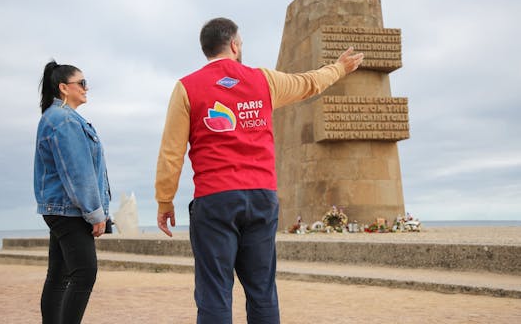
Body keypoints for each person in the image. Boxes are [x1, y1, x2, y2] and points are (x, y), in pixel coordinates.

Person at [155, 17, 364, 324]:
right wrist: (340, 68)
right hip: (261, 197)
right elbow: (309, 83)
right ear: (235, 45)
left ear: (206, 50)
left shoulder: (186, 88)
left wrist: (164, 201)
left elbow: (171, 152)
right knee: (262, 291)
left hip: (215, 200)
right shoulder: (263, 80)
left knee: (214, 293)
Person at [34, 60, 111, 324]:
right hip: (70, 210)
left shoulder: (60, 118)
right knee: (85, 273)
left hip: (60, 208)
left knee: (59, 276)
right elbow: (78, 173)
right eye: (82, 83)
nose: (86, 88)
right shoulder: (64, 120)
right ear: (64, 88)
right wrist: (95, 213)